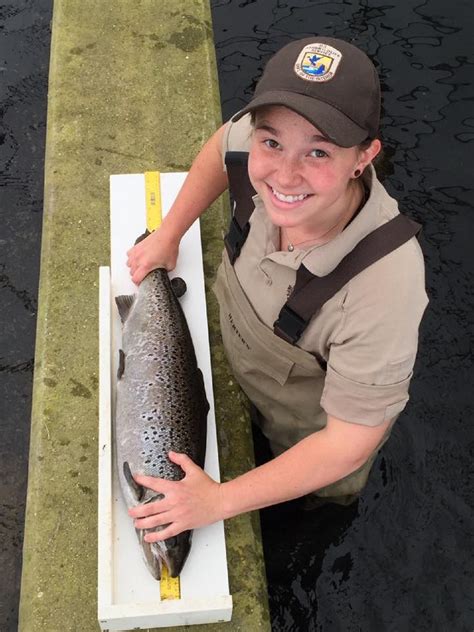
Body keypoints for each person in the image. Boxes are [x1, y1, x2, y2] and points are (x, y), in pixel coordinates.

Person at [126, 37, 428, 542]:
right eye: (272, 143)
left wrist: (219, 500)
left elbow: (347, 444)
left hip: (304, 442)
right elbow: (223, 145)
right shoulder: (252, 145)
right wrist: (170, 232)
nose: (285, 174)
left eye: (318, 151)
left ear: (364, 156)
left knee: (308, 522)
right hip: (242, 372)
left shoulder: (385, 287)